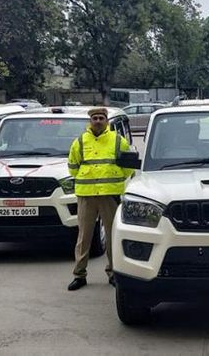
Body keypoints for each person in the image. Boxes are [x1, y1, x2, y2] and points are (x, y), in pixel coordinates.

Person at [66, 108, 135, 291]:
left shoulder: (118, 141)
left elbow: (128, 167)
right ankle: (79, 275)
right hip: (86, 195)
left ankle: (113, 272)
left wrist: (113, 178)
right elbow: (73, 167)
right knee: (84, 237)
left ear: (107, 121)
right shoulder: (80, 141)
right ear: (90, 121)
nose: (98, 121)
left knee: (113, 236)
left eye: (101, 118)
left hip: (109, 195)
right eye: (94, 118)